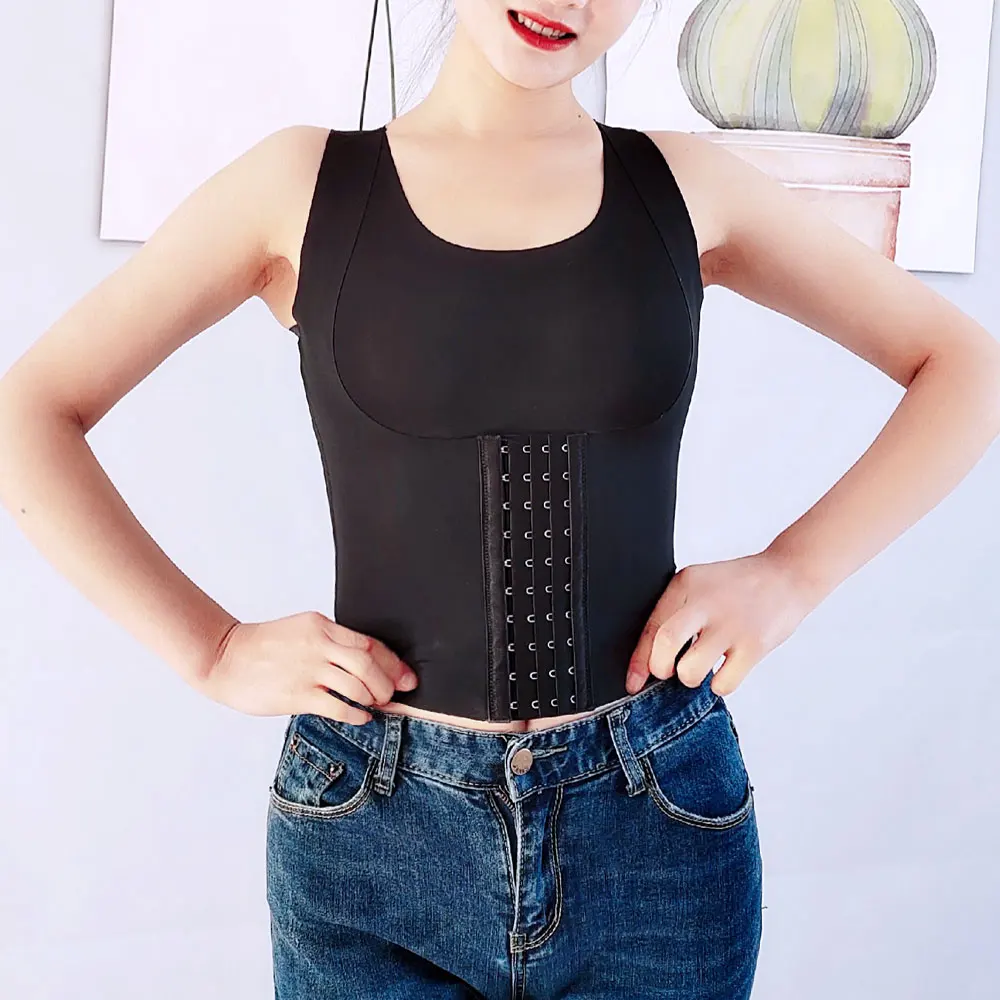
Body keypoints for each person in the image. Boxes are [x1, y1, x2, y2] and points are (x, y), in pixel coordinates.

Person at [1, 1, 999, 997]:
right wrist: (212, 649)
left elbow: (963, 366)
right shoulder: (299, 184)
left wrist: (792, 573)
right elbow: (31, 412)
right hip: (371, 831)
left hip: (655, 823)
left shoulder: (688, 184)